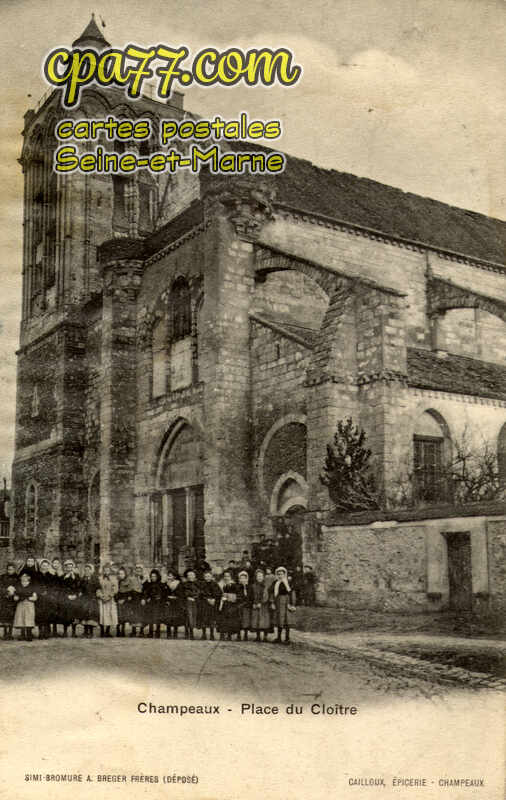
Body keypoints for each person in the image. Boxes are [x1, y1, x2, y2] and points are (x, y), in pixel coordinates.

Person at [270, 566, 296, 644]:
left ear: (285, 574)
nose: (280, 576)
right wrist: (272, 602)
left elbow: (292, 593)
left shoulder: (289, 583)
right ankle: (279, 637)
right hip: (278, 602)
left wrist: (292, 604)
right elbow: (271, 593)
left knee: (287, 620)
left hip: (287, 602)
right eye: (279, 574)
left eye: (282, 574)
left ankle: (287, 638)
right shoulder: (275, 583)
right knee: (279, 620)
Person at [198, 568, 221, 640]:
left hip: (212, 604)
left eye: (209, 576)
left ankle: (212, 634)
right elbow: (200, 593)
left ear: (211, 577)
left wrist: (214, 599)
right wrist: (207, 599)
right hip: (204, 604)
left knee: (212, 619)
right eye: (206, 576)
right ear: (204, 577)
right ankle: (204, 634)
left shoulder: (215, 584)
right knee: (204, 619)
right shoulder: (202, 584)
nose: (207, 578)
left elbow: (219, 593)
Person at [13, 573, 37, 641]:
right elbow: (15, 596)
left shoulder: (32, 586)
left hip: (29, 604)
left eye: (26, 576)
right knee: (21, 618)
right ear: (20, 577)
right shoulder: (18, 586)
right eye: (22, 576)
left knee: (29, 618)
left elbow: (35, 597)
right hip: (20, 604)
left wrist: (29, 598)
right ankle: (22, 635)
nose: (24, 578)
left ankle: (29, 635)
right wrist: (17, 598)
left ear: (29, 577)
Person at [141, 569, 165, 638]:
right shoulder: (149, 584)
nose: (153, 578)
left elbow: (163, 594)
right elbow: (146, 593)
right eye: (151, 576)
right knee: (150, 616)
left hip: (158, 603)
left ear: (157, 577)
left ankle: (158, 631)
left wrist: (159, 598)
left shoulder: (161, 584)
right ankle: (150, 631)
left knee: (158, 617)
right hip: (151, 602)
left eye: (154, 576)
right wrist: (145, 599)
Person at [249, 568, 271, 642]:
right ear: (256, 577)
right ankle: (258, 636)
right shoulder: (253, 586)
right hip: (255, 605)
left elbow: (266, 596)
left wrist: (261, 603)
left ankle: (265, 636)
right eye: (258, 576)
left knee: (265, 621)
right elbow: (251, 596)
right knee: (257, 621)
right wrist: (253, 604)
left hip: (264, 606)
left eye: (261, 576)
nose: (259, 577)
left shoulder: (266, 586)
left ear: (263, 577)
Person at [61, 559, 81, 637]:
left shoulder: (76, 576)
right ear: (65, 568)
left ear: (73, 567)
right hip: (66, 598)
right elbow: (61, 589)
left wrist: (75, 595)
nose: (69, 568)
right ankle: (65, 632)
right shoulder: (63, 577)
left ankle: (73, 632)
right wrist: (67, 596)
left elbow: (79, 587)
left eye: (71, 566)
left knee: (74, 615)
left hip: (75, 598)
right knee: (65, 615)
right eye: (67, 567)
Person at [217, 570, 239, 641]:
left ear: (231, 577)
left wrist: (228, 596)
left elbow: (236, 596)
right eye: (225, 576)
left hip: (231, 604)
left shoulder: (234, 585)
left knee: (230, 619)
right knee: (222, 619)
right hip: (223, 604)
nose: (226, 578)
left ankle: (229, 634)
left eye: (228, 576)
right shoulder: (221, 584)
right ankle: (222, 634)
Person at [97, 564, 118, 637]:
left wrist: (109, 596)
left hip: (110, 600)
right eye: (105, 570)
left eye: (108, 570)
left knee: (109, 615)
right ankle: (102, 631)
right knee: (102, 615)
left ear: (110, 571)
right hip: (102, 600)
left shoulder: (113, 579)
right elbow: (97, 588)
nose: (106, 571)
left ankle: (108, 631)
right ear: (103, 571)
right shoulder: (100, 578)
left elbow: (115, 589)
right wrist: (101, 596)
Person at [34, 559, 54, 640]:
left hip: (48, 598)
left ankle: (47, 632)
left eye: (46, 566)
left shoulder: (51, 576)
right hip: (39, 598)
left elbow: (53, 587)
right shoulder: (36, 576)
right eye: (43, 565)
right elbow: (34, 586)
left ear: (48, 567)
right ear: (40, 566)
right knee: (40, 615)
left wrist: (48, 592)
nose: (44, 567)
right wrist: (40, 592)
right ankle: (40, 632)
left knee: (47, 615)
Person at [79, 563, 100, 638]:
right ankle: (85, 632)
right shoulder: (82, 579)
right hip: (85, 599)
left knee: (91, 616)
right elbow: (80, 588)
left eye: (88, 570)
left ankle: (90, 632)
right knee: (85, 615)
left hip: (92, 599)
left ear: (91, 571)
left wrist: (97, 595)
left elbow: (98, 588)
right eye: (86, 570)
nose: (87, 571)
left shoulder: (95, 579)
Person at [164, 570, 185, 639]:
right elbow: (164, 593)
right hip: (169, 602)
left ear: (175, 576)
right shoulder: (166, 584)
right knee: (168, 617)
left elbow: (181, 593)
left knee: (175, 617)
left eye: (170, 576)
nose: (169, 577)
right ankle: (168, 633)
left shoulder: (179, 583)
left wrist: (176, 597)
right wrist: (167, 598)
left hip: (176, 603)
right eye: (168, 576)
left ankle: (175, 633)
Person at [0, 563, 17, 640]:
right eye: (9, 569)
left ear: (14, 569)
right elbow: (0, 587)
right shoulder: (2, 577)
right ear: (7, 569)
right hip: (5, 599)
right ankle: (5, 633)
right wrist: (6, 592)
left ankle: (10, 633)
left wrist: (14, 593)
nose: (10, 571)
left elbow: (19, 587)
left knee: (11, 616)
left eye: (12, 569)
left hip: (13, 600)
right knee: (4, 616)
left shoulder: (17, 577)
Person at [183, 569, 200, 640]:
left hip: (196, 602)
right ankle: (189, 632)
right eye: (189, 575)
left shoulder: (197, 584)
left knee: (194, 615)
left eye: (192, 575)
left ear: (195, 576)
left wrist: (194, 597)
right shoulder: (184, 584)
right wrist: (188, 596)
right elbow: (184, 593)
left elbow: (199, 592)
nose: (190, 576)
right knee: (188, 616)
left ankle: (191, 630)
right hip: (187, 602)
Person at [129, 564, 145, 637]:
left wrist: (144, 598)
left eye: (140, 570)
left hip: (141, 599)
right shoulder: (131, 579)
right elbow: (130, 589)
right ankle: (133, 631)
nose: (138, 572)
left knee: (142, 614)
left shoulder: (144, 579)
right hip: (134, 598)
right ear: (135, 571)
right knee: (133, 614)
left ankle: (141, 631)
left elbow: (146, 590)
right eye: (137, 570)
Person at [236, 570, 251, 641]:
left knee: (246, 620)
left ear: (247, 579)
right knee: (239, 620)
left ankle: (245, 635)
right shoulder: (237, 587)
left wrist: (246, 603)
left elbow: (251, 597)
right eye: (241, 578)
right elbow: (237, 596)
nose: (242, 580)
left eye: (244, 578)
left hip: (247, 606)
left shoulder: (249, 587)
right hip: (239, 606)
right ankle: (238, 635)